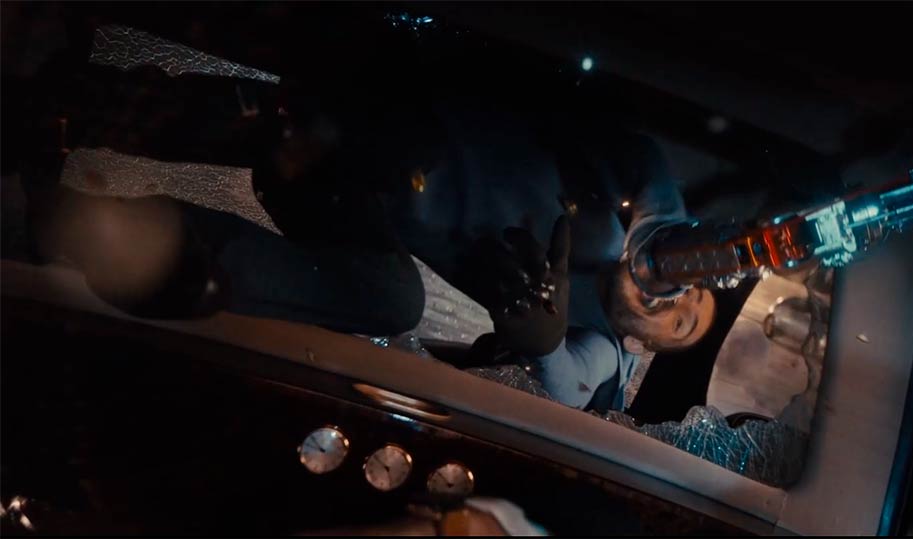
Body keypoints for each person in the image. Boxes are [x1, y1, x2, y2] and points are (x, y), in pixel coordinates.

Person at [18, 17, 716, 412]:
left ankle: (137, 246)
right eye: (695, 289)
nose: (680, 296)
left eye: (684, 321)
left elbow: (571, 386)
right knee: (291, 122)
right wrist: (665, 231)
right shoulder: (627, 203)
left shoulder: (603, 346)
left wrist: (542, 341)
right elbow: (646, 161)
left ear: (649, 347)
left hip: (362, 202)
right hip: (398, 110)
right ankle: (64, 103)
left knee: (390, 298)